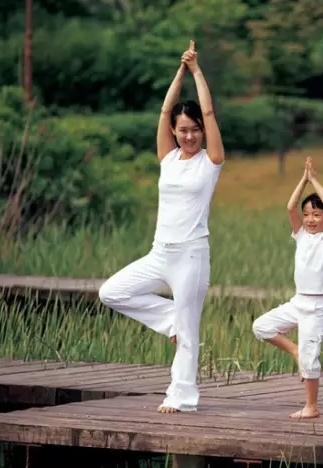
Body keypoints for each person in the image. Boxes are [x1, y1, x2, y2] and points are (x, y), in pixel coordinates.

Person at [98, 40, 225, 414]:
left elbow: (210, 110)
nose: (189, 136)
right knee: (112, 292)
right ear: (174, 130)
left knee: (190, 332)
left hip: (191, 254)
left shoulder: (211, 161)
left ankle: (181, 397)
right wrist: (180, 72)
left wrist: (198, 71)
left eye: (195, 130)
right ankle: (172, 321)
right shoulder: (167, 158)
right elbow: (165, 108)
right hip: (160, 252)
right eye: (183, 130)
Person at [252, 156, 323, 420]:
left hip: (317, 308)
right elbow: (290, 206)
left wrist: (314, 179)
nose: (310, 219)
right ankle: (293, 349)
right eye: (307, 215)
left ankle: (311, 407)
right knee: (261, 327)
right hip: (298, 303)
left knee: (309, 360)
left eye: (316, 215)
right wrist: (303, 180)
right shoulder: (301, 236)